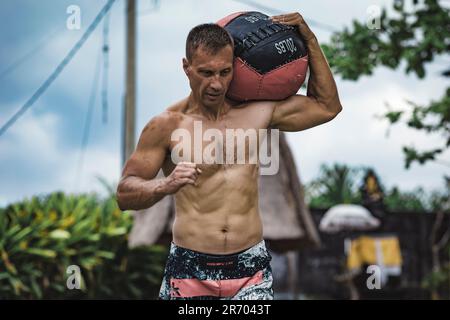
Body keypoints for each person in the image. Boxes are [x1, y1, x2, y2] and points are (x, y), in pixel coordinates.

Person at [116, 12, 342, 300]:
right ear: (186, 68)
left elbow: (327, 106)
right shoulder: (167, 125)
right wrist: (165, 184)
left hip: (250, 267)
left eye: (225, 72)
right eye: (206, 73)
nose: (216, 84)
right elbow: (125, 193)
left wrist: (309, 39)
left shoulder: (259, 112)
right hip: (190, 267)